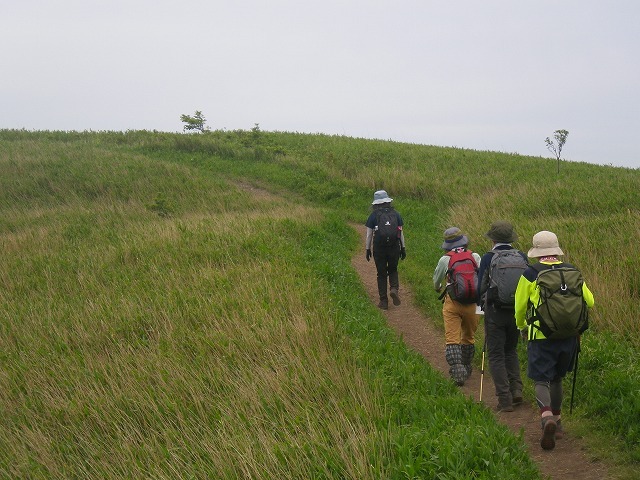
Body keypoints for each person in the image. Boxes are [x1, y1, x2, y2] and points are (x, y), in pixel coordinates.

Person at [515, 230, 595, 450]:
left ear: (537, 251)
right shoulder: (572, 270)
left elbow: (520, 306)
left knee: (541, 380)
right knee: (558, 378)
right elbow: (590, 301)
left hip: (541, 336)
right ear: (556, 250)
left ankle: (546, 417)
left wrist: (522, 327)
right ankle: (558, 423)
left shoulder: (531, 273)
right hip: (569, 335)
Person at [478, 221, 526, 412]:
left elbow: (481, 286)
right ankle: (517, 390)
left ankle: (504, 399)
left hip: (495, 312)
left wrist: (482, 303)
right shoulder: (521, 257)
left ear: (493, 239)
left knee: (496, 355)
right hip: (516, 311)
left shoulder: (488, 258)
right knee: (511, 351)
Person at [433, 227, 481, 386]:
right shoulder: (475, 256)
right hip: (473, 304)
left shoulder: (445, 259)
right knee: (468, 337)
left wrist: (438, 287)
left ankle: (457, 371)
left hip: (453, 303)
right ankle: (466, 366)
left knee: (452, 338)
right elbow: (482, 279)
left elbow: (436, 281)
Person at [365, 190, 406, 310]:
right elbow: (400, 233)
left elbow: (369, 235)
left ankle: (383, 301)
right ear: (388, 201)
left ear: (376, 203)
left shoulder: (373, 216)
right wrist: (403, 248)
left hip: (379, 249)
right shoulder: (396, 214)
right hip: (394, 247)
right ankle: (394, 289)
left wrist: (367, 249)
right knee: (393, 269)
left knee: (381, 273)